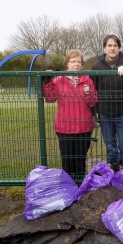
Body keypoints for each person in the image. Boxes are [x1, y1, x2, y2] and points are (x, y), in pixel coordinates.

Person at [42, 49, 98, 179]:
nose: (77, 64)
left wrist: (88, 93)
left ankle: (79, 188)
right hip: (64, 128)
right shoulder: (58, 80)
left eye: (79, 61)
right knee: (67, 161)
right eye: (73, 61)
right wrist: (47, 82)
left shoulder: (87, 80)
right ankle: (67, 188)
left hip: (84, 127)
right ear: (67, 63)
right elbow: (50, 99)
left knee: (80, 161)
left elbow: (92, 102)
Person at [91, 34, 123, 172]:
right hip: (104, 112)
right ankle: (112, 169)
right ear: (104, 48)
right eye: (109, 45)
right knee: (110, 145)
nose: (112, 48)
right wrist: (94, 113)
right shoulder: (96, 66)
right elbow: (93, 91)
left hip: (122, 112)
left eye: (115, 45)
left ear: (119, 48)